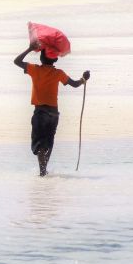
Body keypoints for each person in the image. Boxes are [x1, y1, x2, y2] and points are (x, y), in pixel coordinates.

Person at [14, 44, 90, 176]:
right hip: (53, 114)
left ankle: (42, 173)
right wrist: (84, 79)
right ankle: (44, 171)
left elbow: (17, 61)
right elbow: (75, 84)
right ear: (55, 60)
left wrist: (30, 49)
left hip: (40, 112)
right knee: (49, 142)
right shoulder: (58, 73)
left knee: (39, 144)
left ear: (41, 58)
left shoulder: (34, 69)